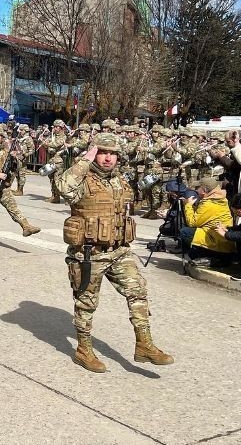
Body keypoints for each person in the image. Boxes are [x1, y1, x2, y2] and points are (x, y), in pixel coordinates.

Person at [57, 133, 173, 373]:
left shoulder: (120, 180)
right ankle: (83, 349)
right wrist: (84, 160)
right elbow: (63, 187)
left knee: (138, 290)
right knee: (86, 303)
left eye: (112, 153)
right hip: (88, 254)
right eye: (102, 152)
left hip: (119, 251)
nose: (108, 158)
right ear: (94, 154)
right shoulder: (81, 178)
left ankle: (144, 344)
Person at [0, 127, 41, 238]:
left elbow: (17, 168)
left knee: (13, 208)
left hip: (4, 188)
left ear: (2, 137)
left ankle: (26, 226)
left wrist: (15, 159)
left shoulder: (7, 151)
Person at [180, 176, 236, 265]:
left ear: (204, 190)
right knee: (192, 253)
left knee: (185, 232)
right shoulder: (218, 199)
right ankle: (213, 256)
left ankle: (215, 258)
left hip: (218, 242)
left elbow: (192, 223)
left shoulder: (209, 203)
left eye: (198, 188)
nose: (196, 190)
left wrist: (188, 205)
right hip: (220, 240)